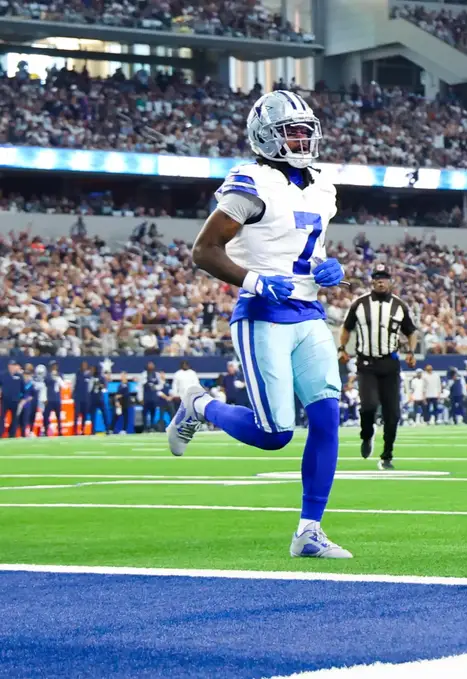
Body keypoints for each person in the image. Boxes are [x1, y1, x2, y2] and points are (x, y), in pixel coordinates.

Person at [172, 90, 350, 559]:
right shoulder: (249, 183)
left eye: (304, 130)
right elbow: (204, 250)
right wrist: (254, 281)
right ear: (265, 136)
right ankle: (199, 404)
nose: (300, 138)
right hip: (263, 314)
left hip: (309, 311)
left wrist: (329, 268)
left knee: (328, 418)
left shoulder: (322, 185)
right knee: (274, 435)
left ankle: (309, 529)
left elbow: (305, 249)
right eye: (290, 131)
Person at [340, 263, 419, 468]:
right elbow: (346, 327)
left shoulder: (399, 306)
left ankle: (387, 455)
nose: (380, 281)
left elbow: (411, 331)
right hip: (366, 362)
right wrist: (341, 348)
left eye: (384, 277)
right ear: (372, 281)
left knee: (392, 413)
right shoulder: (359, 304)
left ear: (390, 281)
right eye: (377, 277)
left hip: (390, 363)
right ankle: (367, 435)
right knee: (368, 406)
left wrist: (411, 351)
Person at [41, 362, 64, 436]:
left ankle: (60, 431)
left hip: (57, 399)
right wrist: (52, 377)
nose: (55, 367)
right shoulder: (47, 375)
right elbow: (46, 383)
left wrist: (57, 378)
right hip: (49, 399)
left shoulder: (60, 375)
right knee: (46, 415)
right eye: (53, 366)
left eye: (56, 365)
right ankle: (46, 430)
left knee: (58, 416)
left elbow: (63, 385)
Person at [141, 361, 162, 433]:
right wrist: (140, 398)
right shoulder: (144, 374)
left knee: (153, 413)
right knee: (145, 413)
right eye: (149, 365)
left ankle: (152, 427)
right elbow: (140, 386)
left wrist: (155, 387)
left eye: (152, 365)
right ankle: (145, 428)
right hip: (146, 397)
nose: (150, 366)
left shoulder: (157, 375)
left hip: (153, 397)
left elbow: (161, 385)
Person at [72, 361, 91, 435]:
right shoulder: (77, 374)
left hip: (86, 398)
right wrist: (73, 395)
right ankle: (75, 430)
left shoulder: (89, 375)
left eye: (85, 365)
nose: (84, 366)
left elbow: (90, 387)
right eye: (83, 365)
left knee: (84, 414)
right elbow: (73, 385)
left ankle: (83, 430)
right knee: (76, 414)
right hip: (78, 397)